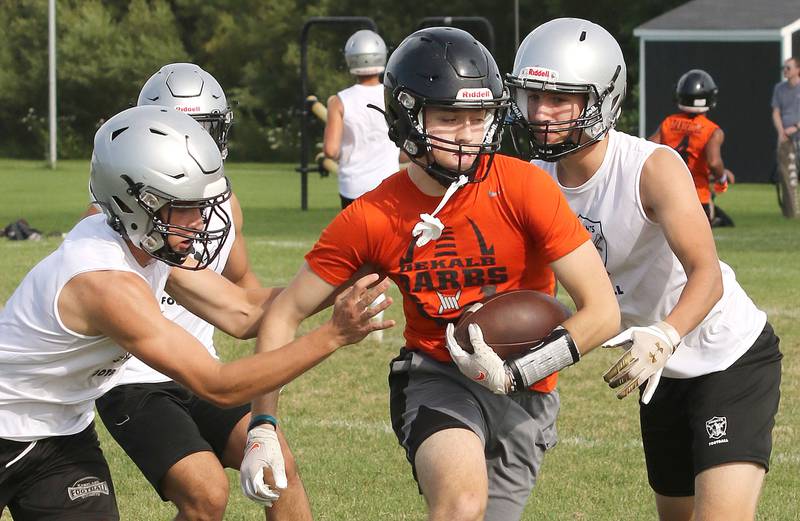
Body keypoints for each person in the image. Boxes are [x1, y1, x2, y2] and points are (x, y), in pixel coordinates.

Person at [242, 27, 620, 521]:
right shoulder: (376, 215)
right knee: (461, 505)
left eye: (479, 117)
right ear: (407, 117)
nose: (469, 135)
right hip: (437, 377)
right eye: (450, 117)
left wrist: (516, 372)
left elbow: (603, 312)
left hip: (527, 388)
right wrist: (262, 425)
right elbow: (284, 313)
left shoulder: (524, 187)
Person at [0, 105, 392, 521]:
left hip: (61, 434)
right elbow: (217, 385)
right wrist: (331, 335)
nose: (201, 220)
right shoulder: (105, 282)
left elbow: (242, 312)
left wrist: (350, 274)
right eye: (184, 206)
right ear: (139, 203)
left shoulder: (142, 244)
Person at [507, 17, 781, 521]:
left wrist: (663, 334)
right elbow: (537, 290)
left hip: (726, 355)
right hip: (656, 372)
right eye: (533, 96)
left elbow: (707, 274)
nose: (542, 113)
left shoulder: (650, 168)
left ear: (603, 98)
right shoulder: (531, 179)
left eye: (561, 99)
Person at [92, 63, 311, 521]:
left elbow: (245, 292)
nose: (200, 144)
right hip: (133, 378)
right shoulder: (120, 221)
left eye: (207, 130)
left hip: (199, 367)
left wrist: (336, 276)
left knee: (280, 469)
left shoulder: (224, 203)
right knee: (206, 493)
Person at [323, 29, 401, 209]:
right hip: (388, 184)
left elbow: (330, 150)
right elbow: (403, 147)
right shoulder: (393, 96)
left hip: (353, 187)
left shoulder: (339, 101)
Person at [649, 69, 735, 227]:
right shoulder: (712, 130)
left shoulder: (668, 123)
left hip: (668, 194)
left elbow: (648, 149)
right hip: (696, 197)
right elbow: (714, 162)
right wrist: (722, 179)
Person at [771, 56, 800, 218]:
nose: (786, 71)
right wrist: (781, 131)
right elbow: (776, 112)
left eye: (789, 68)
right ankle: (791, 212)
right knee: (786, 174)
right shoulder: (779, 88)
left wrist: (795, 127)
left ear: (797, 70)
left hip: (797, 133)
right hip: (785, 138)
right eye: (784, 68)